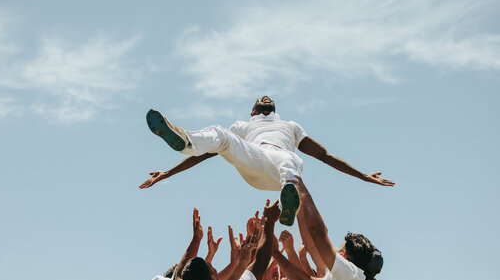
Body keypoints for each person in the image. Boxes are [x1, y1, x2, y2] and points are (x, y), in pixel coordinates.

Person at [140, 96, 395, 225]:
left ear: (275, 111)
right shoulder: (243, 126)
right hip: (253, 157)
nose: (265, 104)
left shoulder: (291, 126)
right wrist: (167, 173)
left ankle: (288, 204)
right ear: (253, 113)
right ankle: (184, 141)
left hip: (279, 166)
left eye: (269, 105)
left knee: (290, 158)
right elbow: (208, 153)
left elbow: (324, 156)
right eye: (260, 106)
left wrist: (363, 175)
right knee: (219, 134)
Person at [289, 176, 383, 280]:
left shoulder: (349, 276)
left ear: (344, 255)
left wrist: (303, 191)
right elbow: (313, 246)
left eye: (338, 248)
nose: (333, 250)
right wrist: (299, 208)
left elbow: (318, 235)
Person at [169, 200, 281, 280]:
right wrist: (269, 221)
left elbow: (180, 274)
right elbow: (260, 263)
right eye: (212, 268)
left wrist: (196, 239)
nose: (216, 270)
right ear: (212, 279)